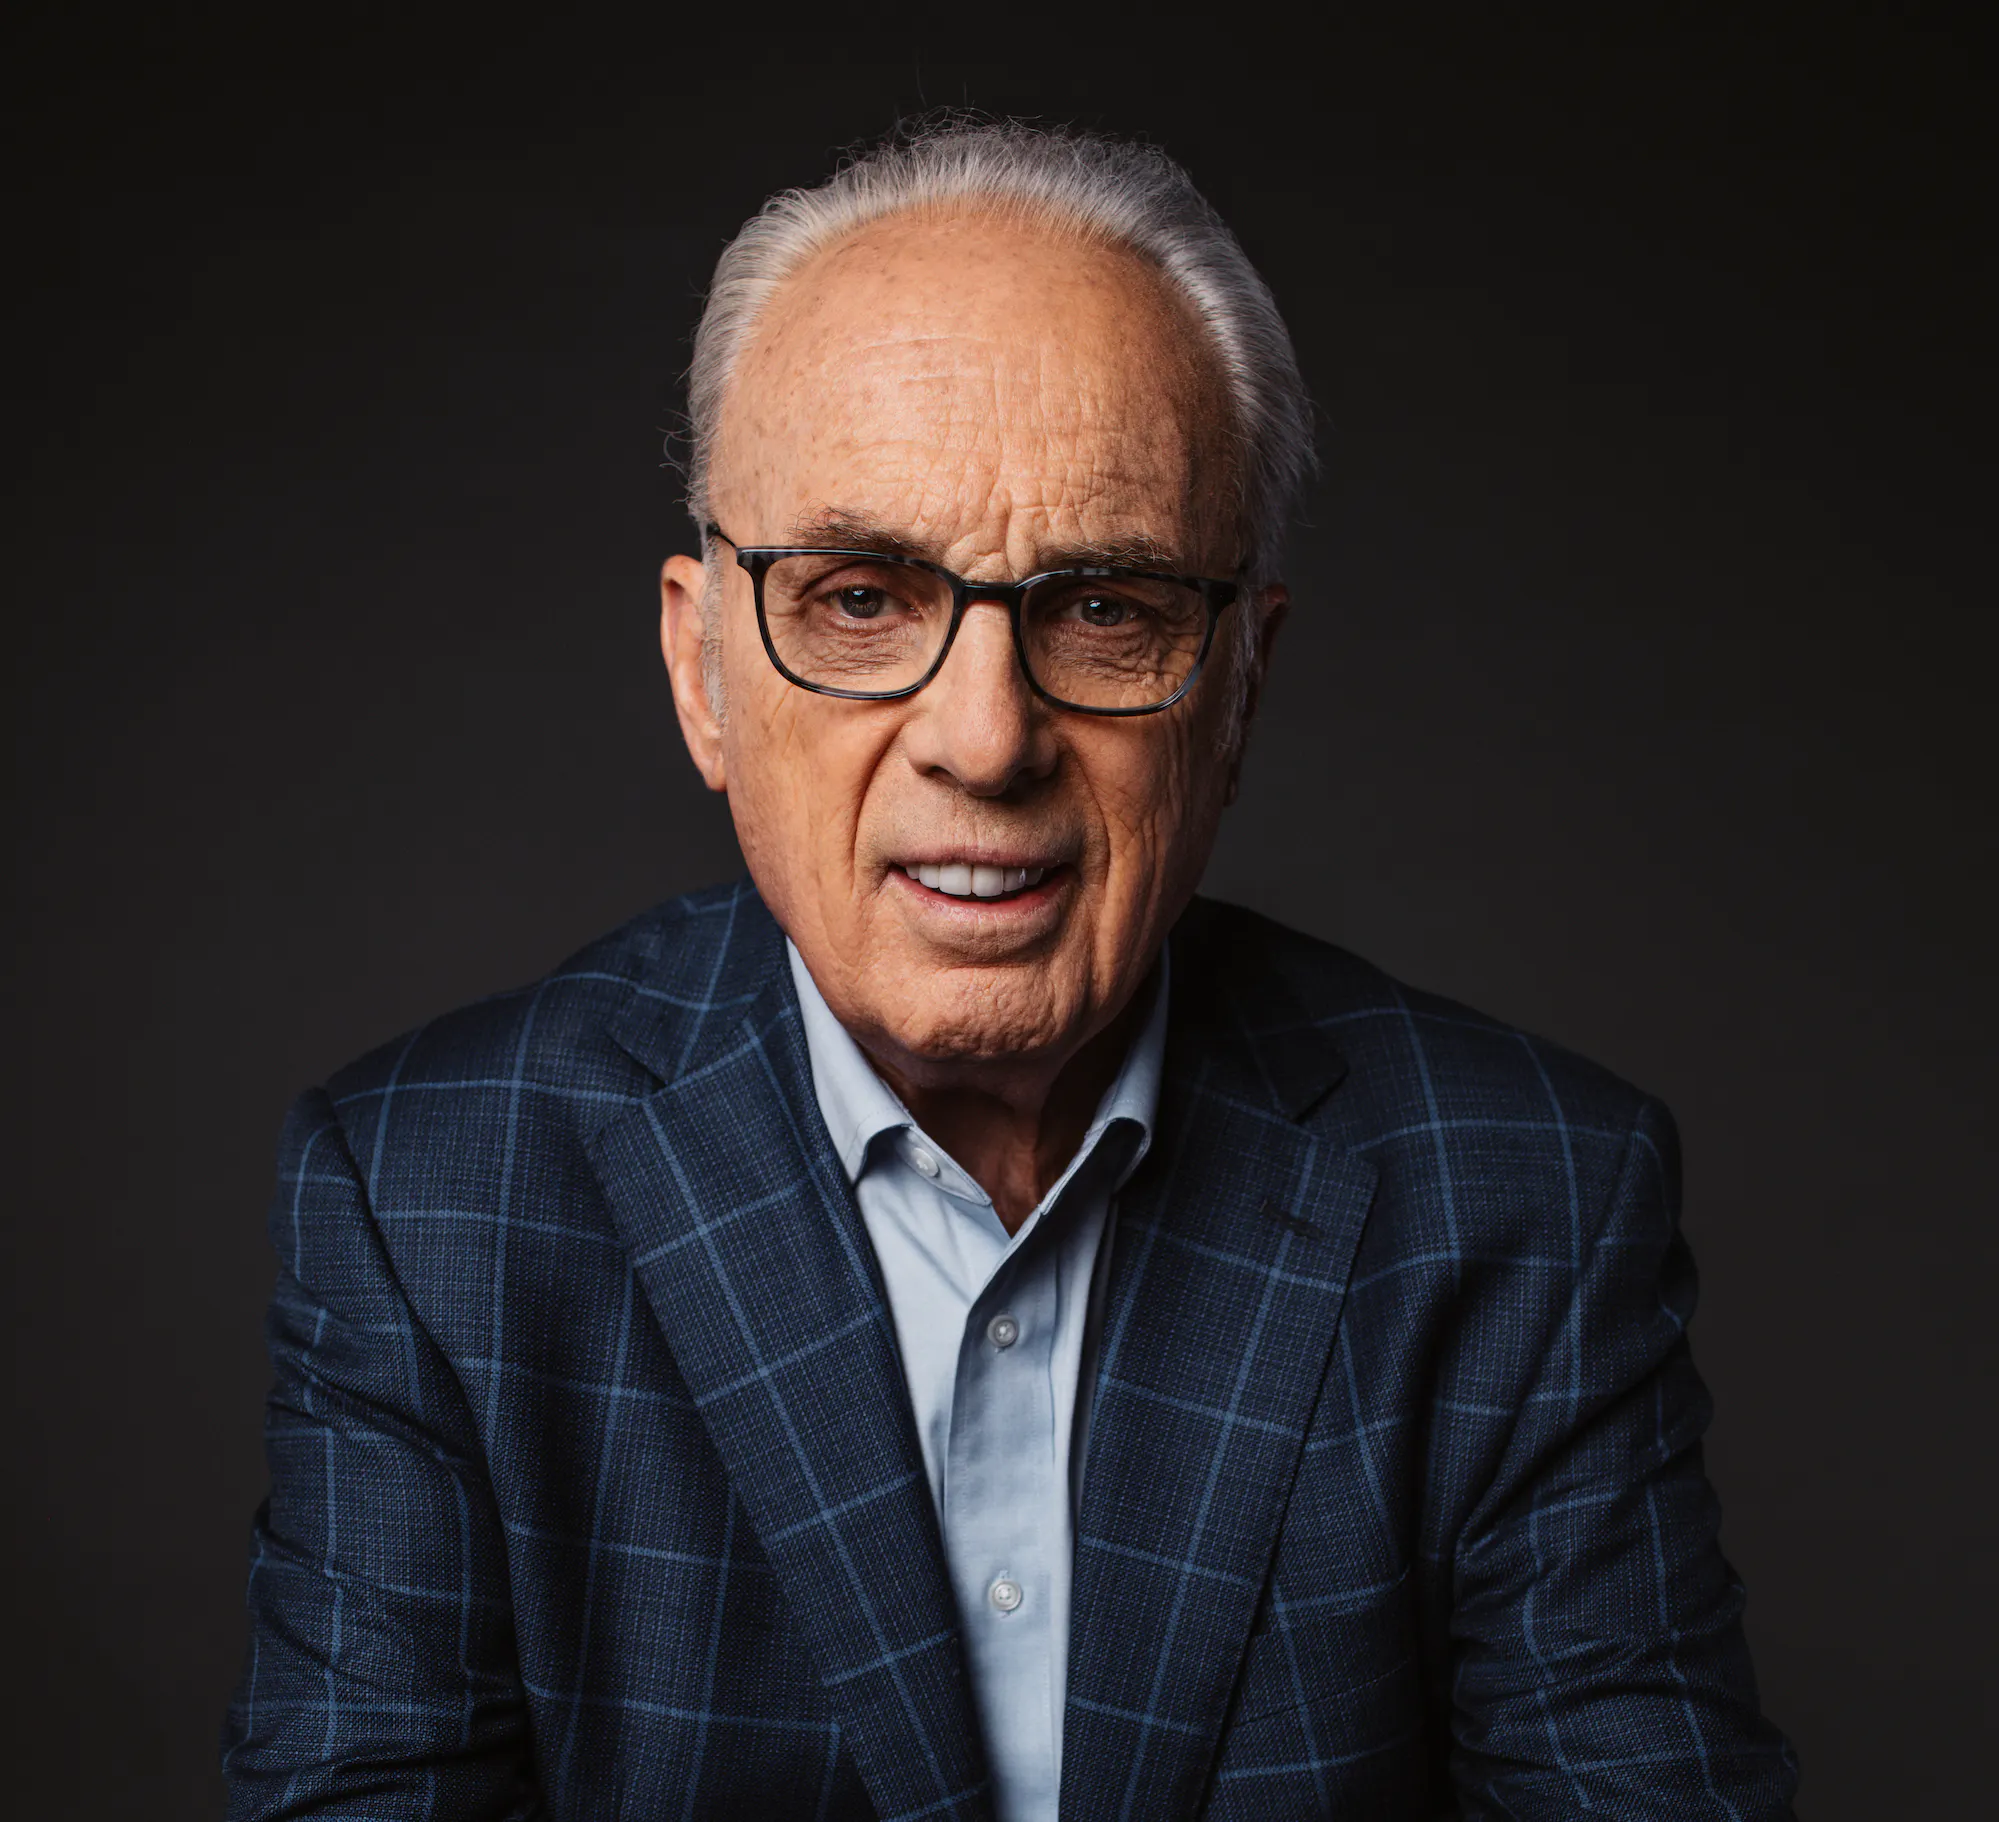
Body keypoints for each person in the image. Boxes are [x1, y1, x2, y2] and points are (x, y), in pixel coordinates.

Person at [221, 119, 1798, 1820]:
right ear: (701, 674)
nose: (983, 739)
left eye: (1105, 608)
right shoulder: (432, 1204)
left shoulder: (1526, 1205)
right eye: (857, 600)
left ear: (1239, 693)